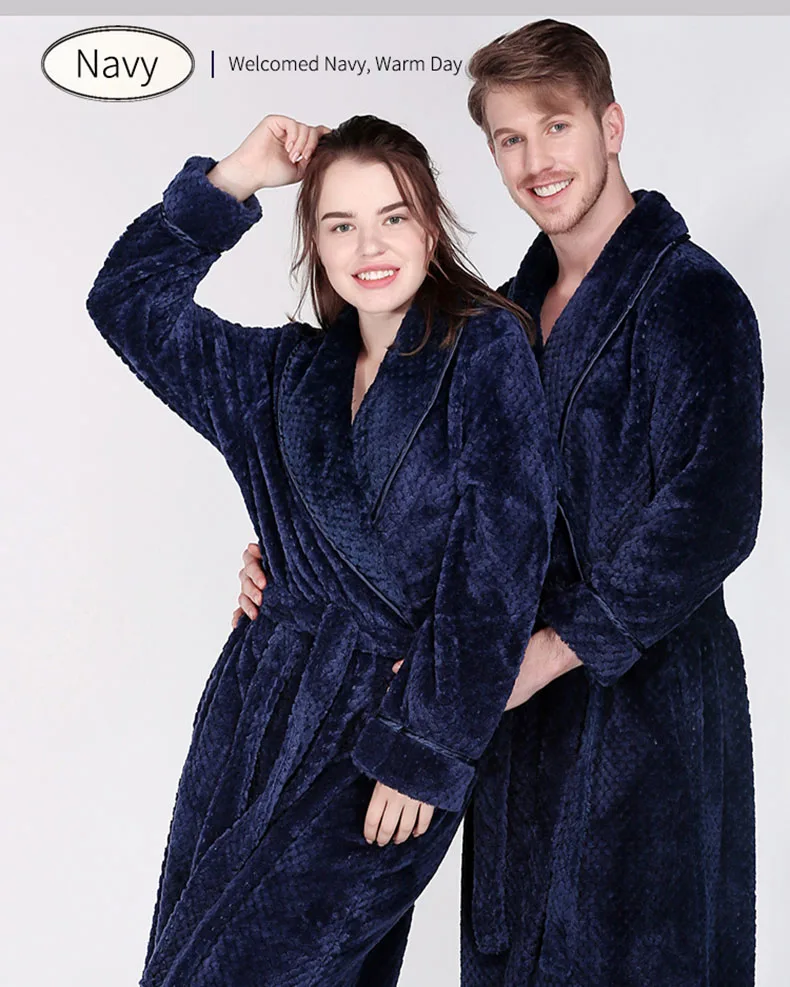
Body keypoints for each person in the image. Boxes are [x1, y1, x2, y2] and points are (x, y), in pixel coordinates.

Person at [235, 20, 764, 987]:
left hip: (646, 716)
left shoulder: (691, 298)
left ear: (610, 126)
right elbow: (422, 479)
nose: (536, 162)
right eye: (510, 139)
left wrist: (553, 650)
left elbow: (715, 511)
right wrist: (299, 557)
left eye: (556, 127)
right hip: (512, 720)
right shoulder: (501, 315)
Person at [86, 113, 556, 986]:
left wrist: (425, 751)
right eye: (341, 224)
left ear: (430, 226)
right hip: (252, 717)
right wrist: (236, 176)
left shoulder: (485, 349)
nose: (369, 246)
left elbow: (498, 571)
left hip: (385, 737)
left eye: (393, 217)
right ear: (315, 242)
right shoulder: (278, 377)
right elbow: (127, 303)